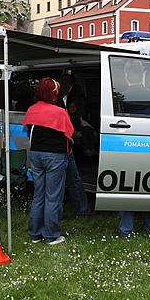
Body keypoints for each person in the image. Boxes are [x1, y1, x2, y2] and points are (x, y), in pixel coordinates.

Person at [23, 77, 74, 245]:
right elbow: (69, 133)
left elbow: (27, 129)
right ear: (52, 94)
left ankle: (35, 234)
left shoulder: (31, 109)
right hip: (55, 156)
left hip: (36, 154)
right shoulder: (59, 112)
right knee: (53, 196)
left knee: (39, 194)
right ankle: (51, 235)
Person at [56, 76, 90, 216]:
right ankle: (81, 209)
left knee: (72, 179)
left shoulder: (63, 100)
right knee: (72, 179)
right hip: (62, 147)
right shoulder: (59, 102)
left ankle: (80, 208)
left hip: (64, 146)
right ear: (68, 87)